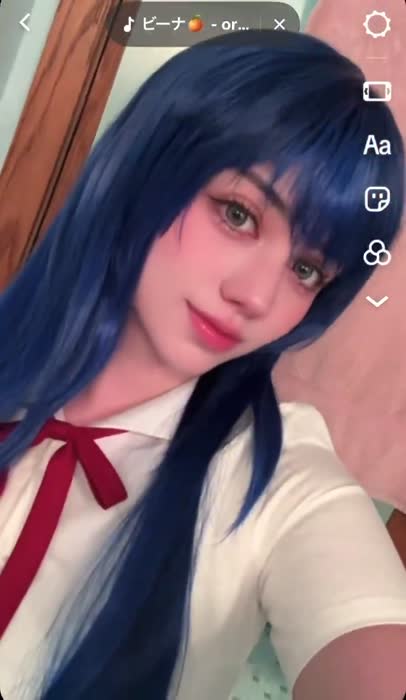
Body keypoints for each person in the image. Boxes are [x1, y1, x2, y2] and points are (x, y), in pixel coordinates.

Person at [0, 29, 405, 700]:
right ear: (147, 165)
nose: (257, 297)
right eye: (239, 214)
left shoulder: (279, 480)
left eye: (308, 269)